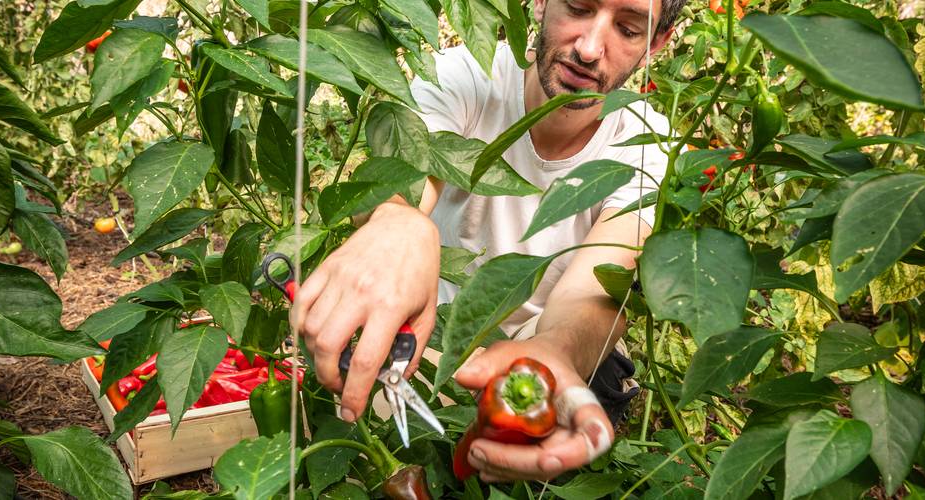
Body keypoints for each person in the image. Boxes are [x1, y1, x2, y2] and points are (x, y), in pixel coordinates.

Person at [293, 0, 685, 481]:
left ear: (656, 44)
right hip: (432, 334)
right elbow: (403, 179)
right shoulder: (466, 75)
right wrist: (398, 220)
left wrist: (557, 351)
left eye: (627, 28)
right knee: (380, 436)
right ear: (540, 3)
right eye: (579, 7)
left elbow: (599, 284)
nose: (588, 48)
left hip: (535, 344)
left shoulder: (647, 145)